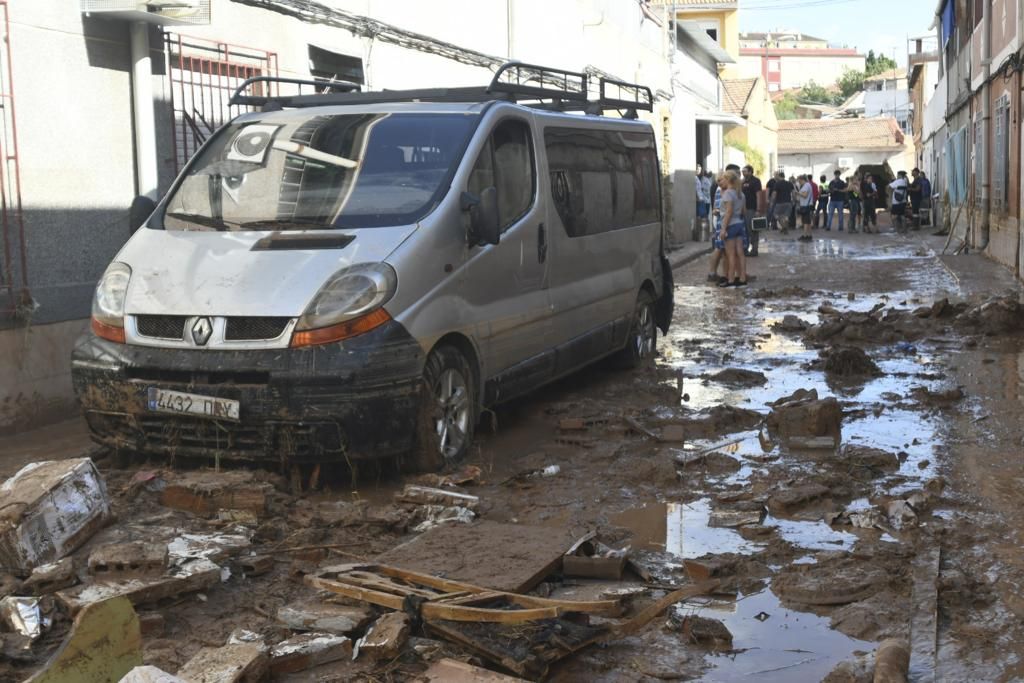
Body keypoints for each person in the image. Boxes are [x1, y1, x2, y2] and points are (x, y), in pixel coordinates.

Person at [707, 163, 741, 282]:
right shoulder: (721, 189)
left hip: (724, 222)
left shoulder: (725, 189)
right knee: (720, 248)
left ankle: (724, 274)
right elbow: (720, 209)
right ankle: (714, 273)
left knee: (723, 250)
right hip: (723, 223)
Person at [717, 169, 747, 287]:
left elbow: (728, 212)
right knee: (740, 253)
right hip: (739, 224)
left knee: (730, 254)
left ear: (728, 180)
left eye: (723, 178)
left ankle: (730, 280)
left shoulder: (728, 193)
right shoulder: (741, 194)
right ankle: (742, 278)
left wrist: (723, 229)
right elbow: (744, 211)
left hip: (730, 225)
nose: (721, 181)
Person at [741, 165, 762, 257]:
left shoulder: (756, 181)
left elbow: (758, 195)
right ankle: (746, 248)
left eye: (745, 171)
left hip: (752, 209)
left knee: (753, 229)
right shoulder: (742, 182)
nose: (743, 173)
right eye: (742, 171)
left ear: (750, 172)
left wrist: (758, 209)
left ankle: (754, 249)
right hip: (743, 210)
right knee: (745, 230)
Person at [796, 174, 815, 241]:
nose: (798, 182)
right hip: (806, 205)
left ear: (802, 179)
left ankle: (805, 235)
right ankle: (809, 235)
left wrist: (798, 193)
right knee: (808, 222)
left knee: (805, 221)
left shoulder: (806, 185)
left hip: (806, 205)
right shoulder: (806, 185)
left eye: (799, 180)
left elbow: (805, 195)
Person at [696, 164, 710, 236]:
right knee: (701, 216)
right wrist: (698, 198)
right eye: (698, 169)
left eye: (700, 170)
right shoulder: (696, 178)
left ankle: (703, 234)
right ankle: (700, 234)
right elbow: (697, 189)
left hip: (703, 199)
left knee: (704, 216)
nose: (699, 171)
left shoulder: (698, 178)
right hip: (701, 199)